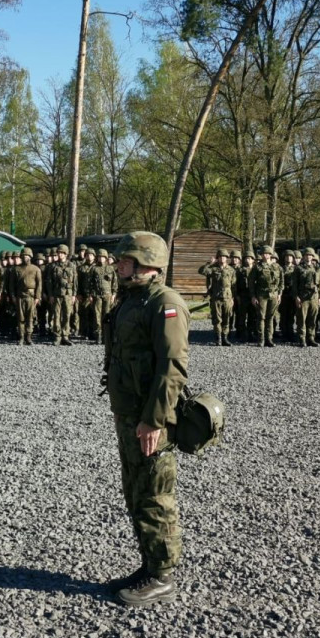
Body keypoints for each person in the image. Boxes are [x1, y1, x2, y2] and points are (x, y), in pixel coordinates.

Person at [102, 231, 189, 608]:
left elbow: (172, 368)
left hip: (149, 417)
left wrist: (155, 420)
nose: (118, 264)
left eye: (125, 259)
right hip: (128, 413)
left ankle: (163, 577)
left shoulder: (164, 302)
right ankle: (149, 564)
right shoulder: (133, 298)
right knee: (136, 492)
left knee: (155, 495)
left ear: (147, 263)